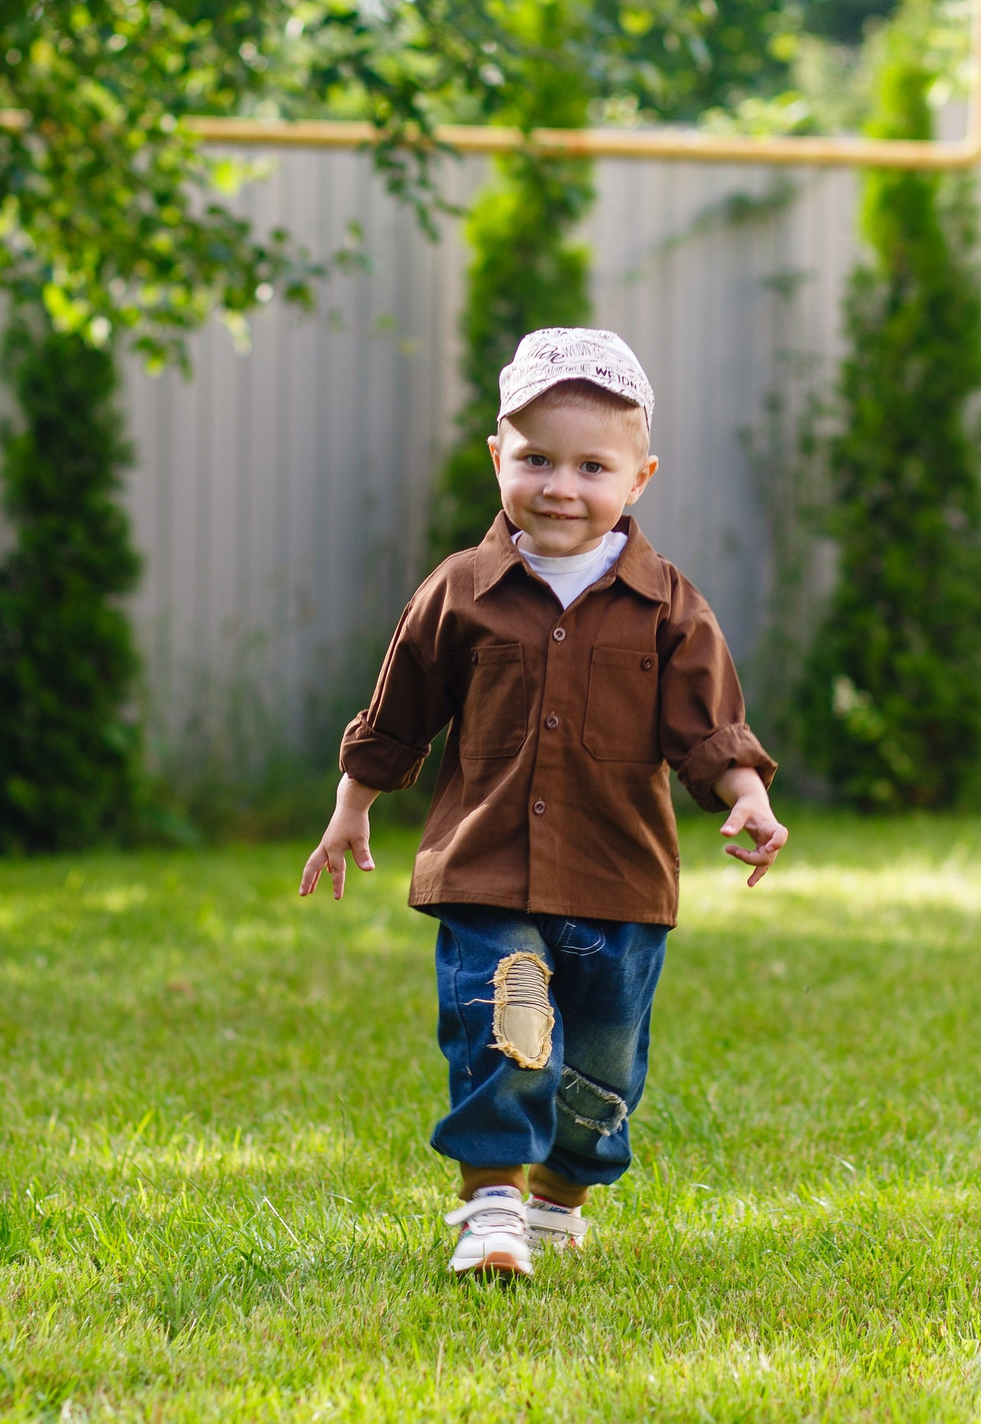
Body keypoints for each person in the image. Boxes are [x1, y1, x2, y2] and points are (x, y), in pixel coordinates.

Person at [299, 326, 789, 1279]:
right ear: (497, 459)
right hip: (487, 867)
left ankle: (561, 1203)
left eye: (591, 466)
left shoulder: (668, 606)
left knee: (602, 1068)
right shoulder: (461, 592)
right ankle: (490, 1206)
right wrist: (352, 805)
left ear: (639, 478)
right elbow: (399, 712)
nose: (561, 487)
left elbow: (710, 725)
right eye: (535, 460)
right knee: (505, 1016)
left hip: (619, 874)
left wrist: (747, 795)